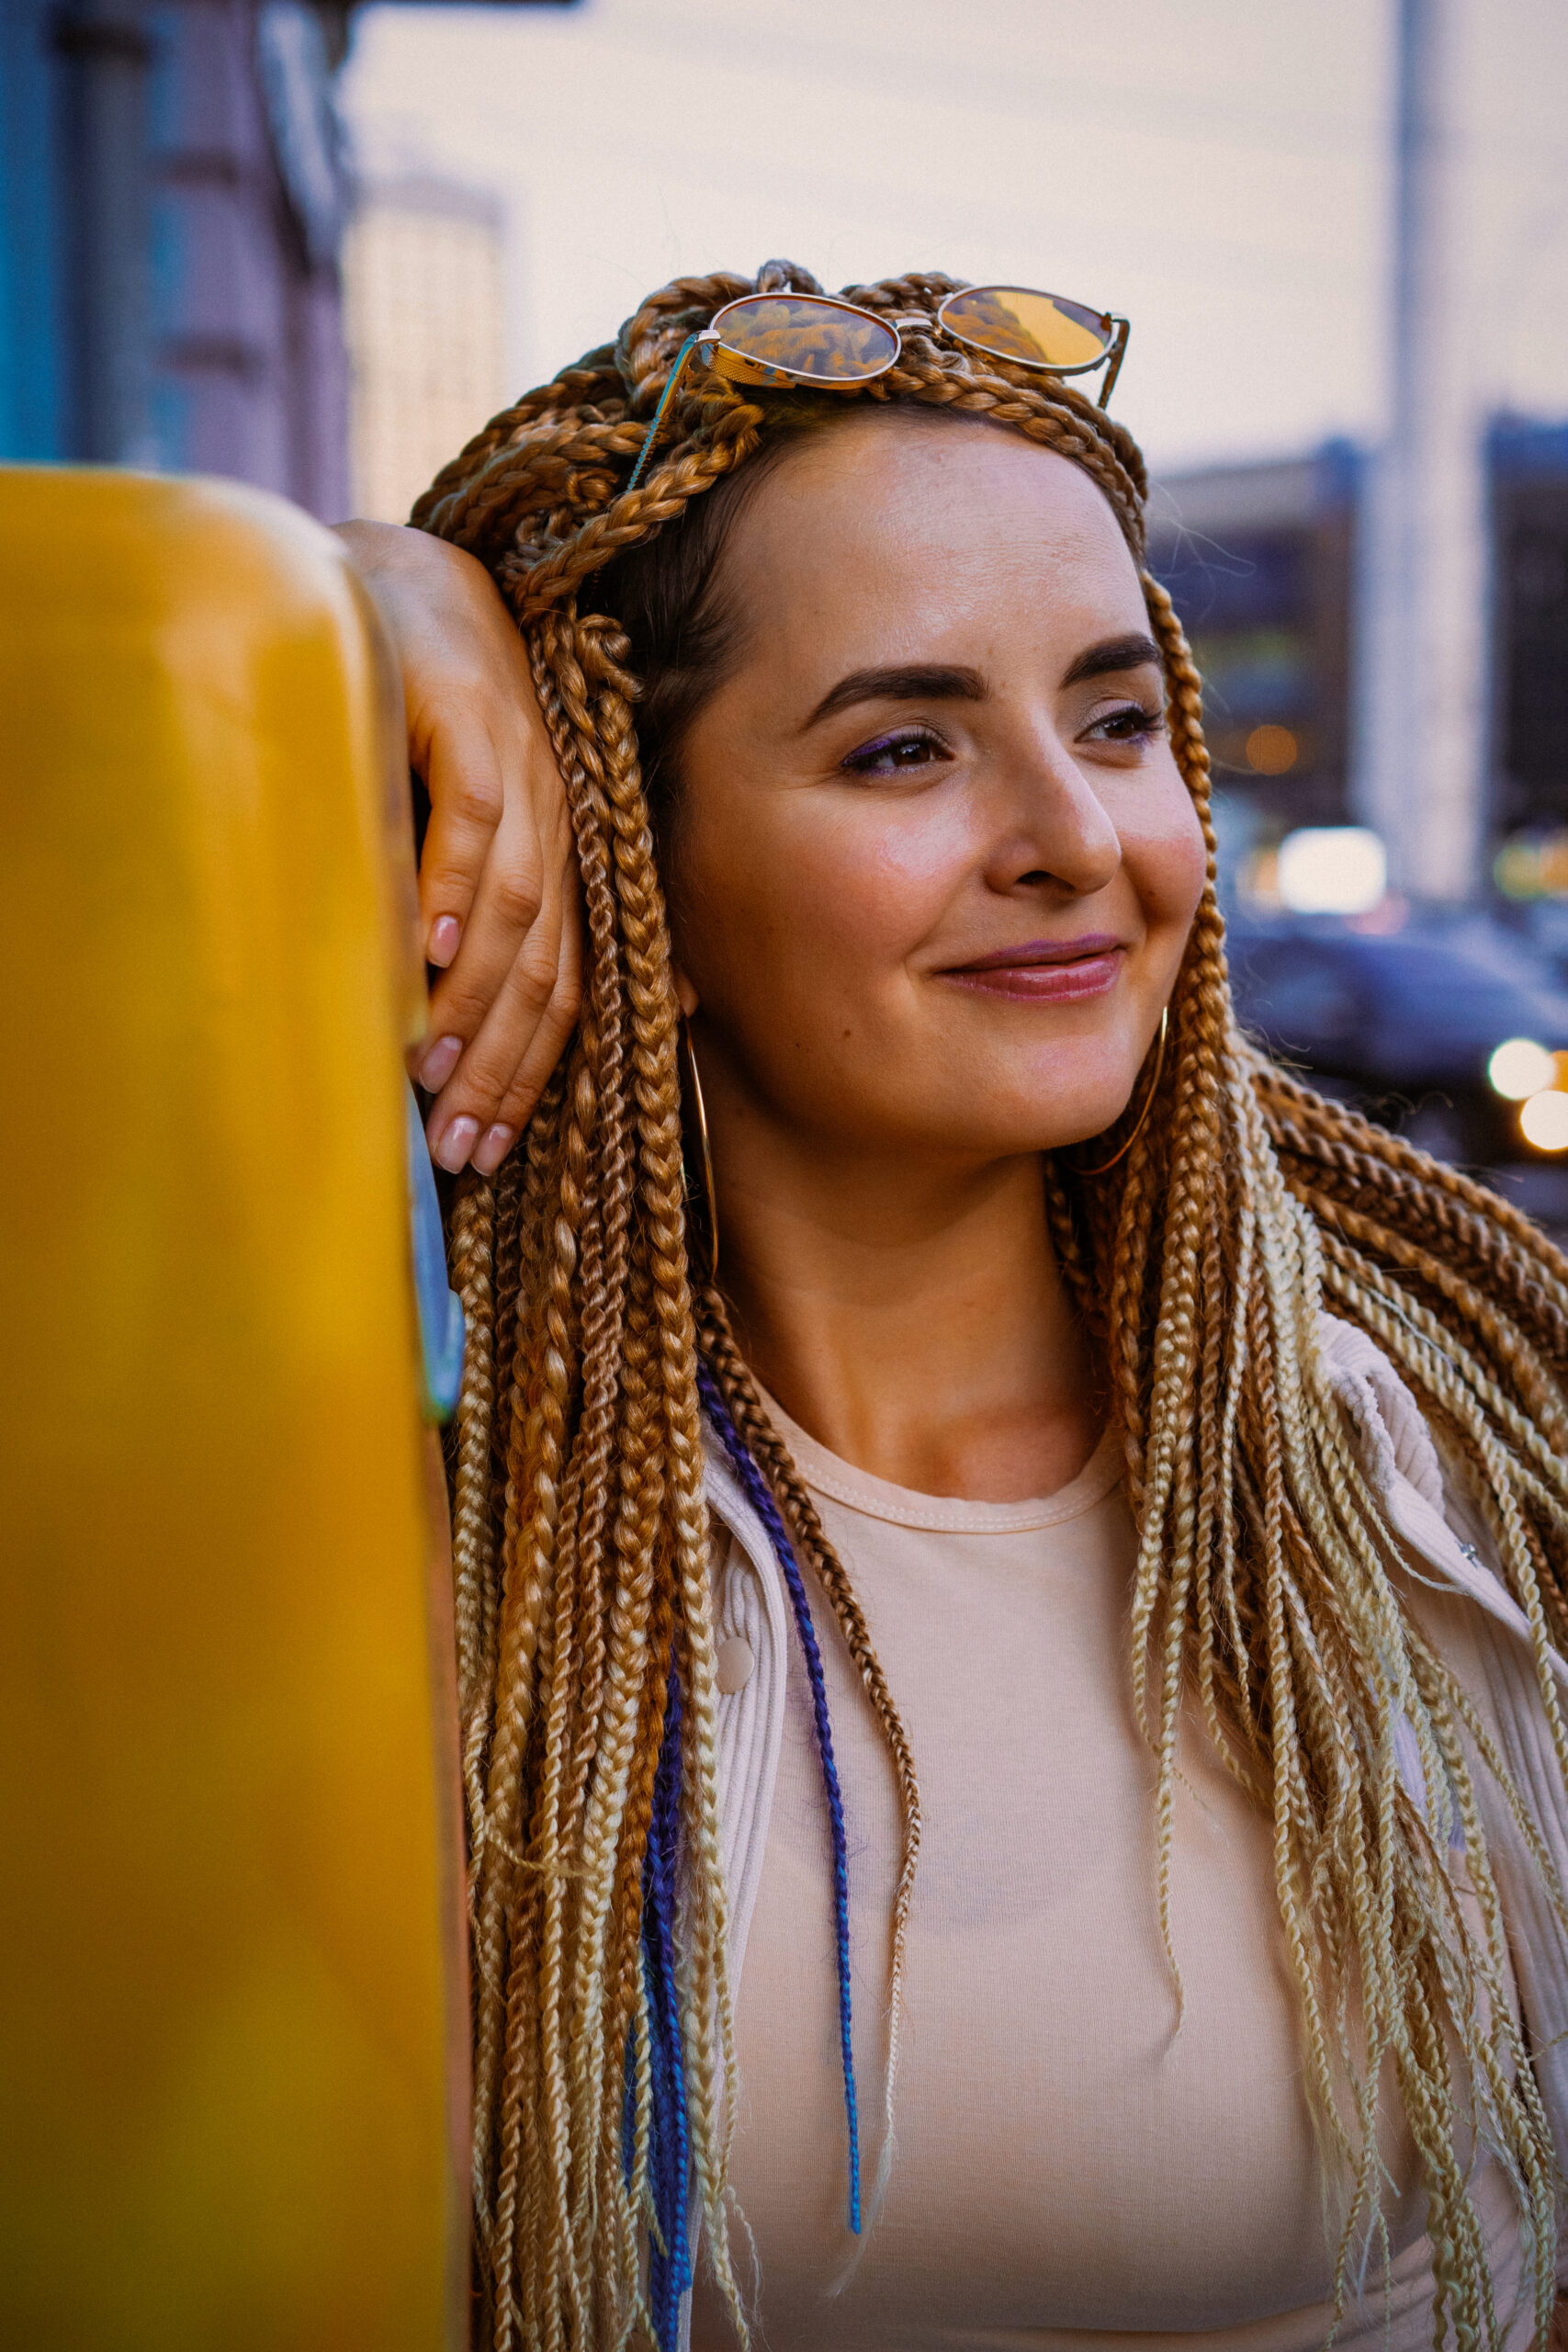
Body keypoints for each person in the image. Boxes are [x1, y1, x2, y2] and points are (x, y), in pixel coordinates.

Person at [344, 262, 1568, 2352]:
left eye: (1114, 719)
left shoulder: (1424, 1462)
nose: (1075, 836)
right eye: (904, 746)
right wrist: (368, 595)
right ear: (630, 860)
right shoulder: (477, 1563)